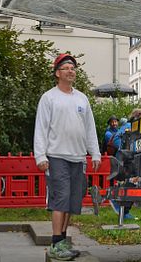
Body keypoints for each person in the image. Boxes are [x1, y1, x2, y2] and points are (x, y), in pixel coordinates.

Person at [34, 53, 101, 261]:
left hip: (78, 158)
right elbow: (41, 128)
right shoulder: (49, 97)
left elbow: (90, 128)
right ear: (57, 73)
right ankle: (55, 243)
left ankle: (63, 241)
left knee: (72, 201)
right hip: (56, 157)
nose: (71, 71)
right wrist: (40, 156)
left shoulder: (82, 98)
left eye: (73, 68)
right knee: (60, 200)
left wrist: (95, 153)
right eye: (66, 68)